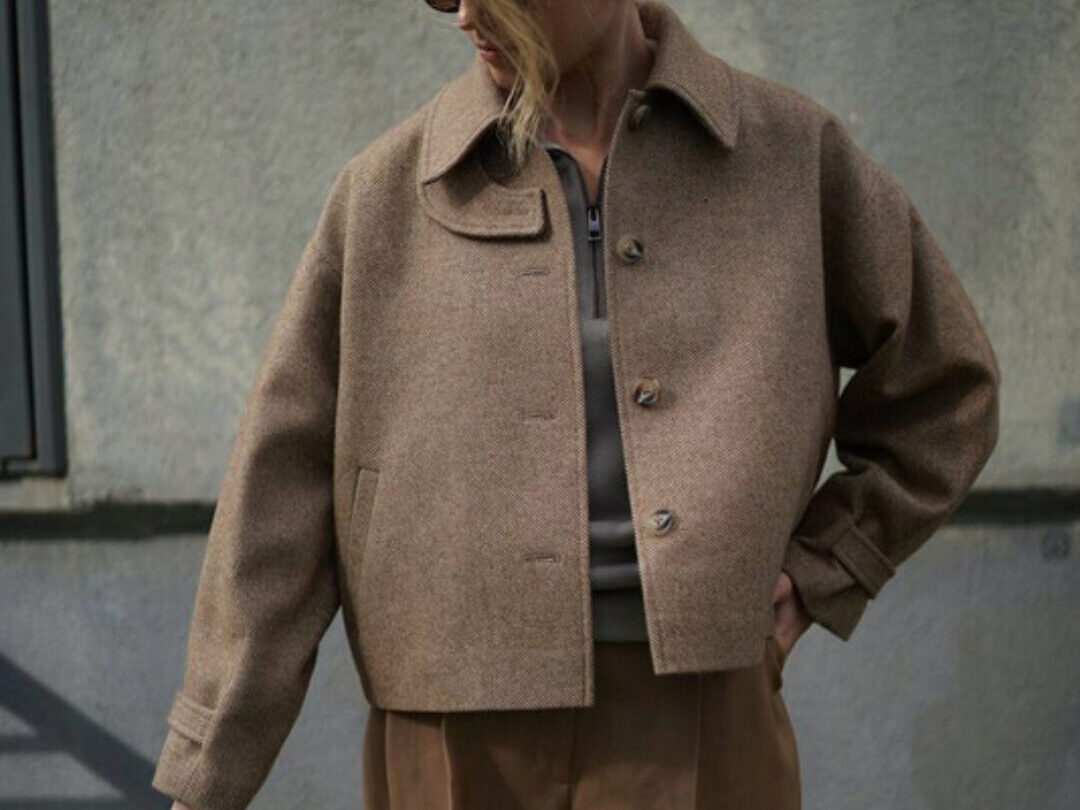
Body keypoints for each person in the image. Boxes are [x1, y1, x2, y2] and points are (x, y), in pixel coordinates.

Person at [153, 1, 1001, 809]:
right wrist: (211, 765)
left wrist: (830, 565)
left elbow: (945, 389)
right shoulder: (386, 194)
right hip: (448, 724)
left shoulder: (789, 156)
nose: (467, 16)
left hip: (702, 714)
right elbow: (282, 488)